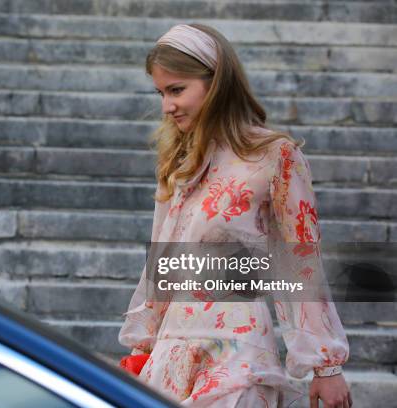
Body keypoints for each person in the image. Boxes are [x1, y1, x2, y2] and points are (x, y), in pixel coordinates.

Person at [118, 23, 353, 408]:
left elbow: (299, 264)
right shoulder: (178, 158)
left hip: (238, 353)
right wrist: (143, 345)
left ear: (218, 83)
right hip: (171, 353)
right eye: (161, 93)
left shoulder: (275, 156)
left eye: (177, 90)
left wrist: (326, 367)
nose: (166, 106)